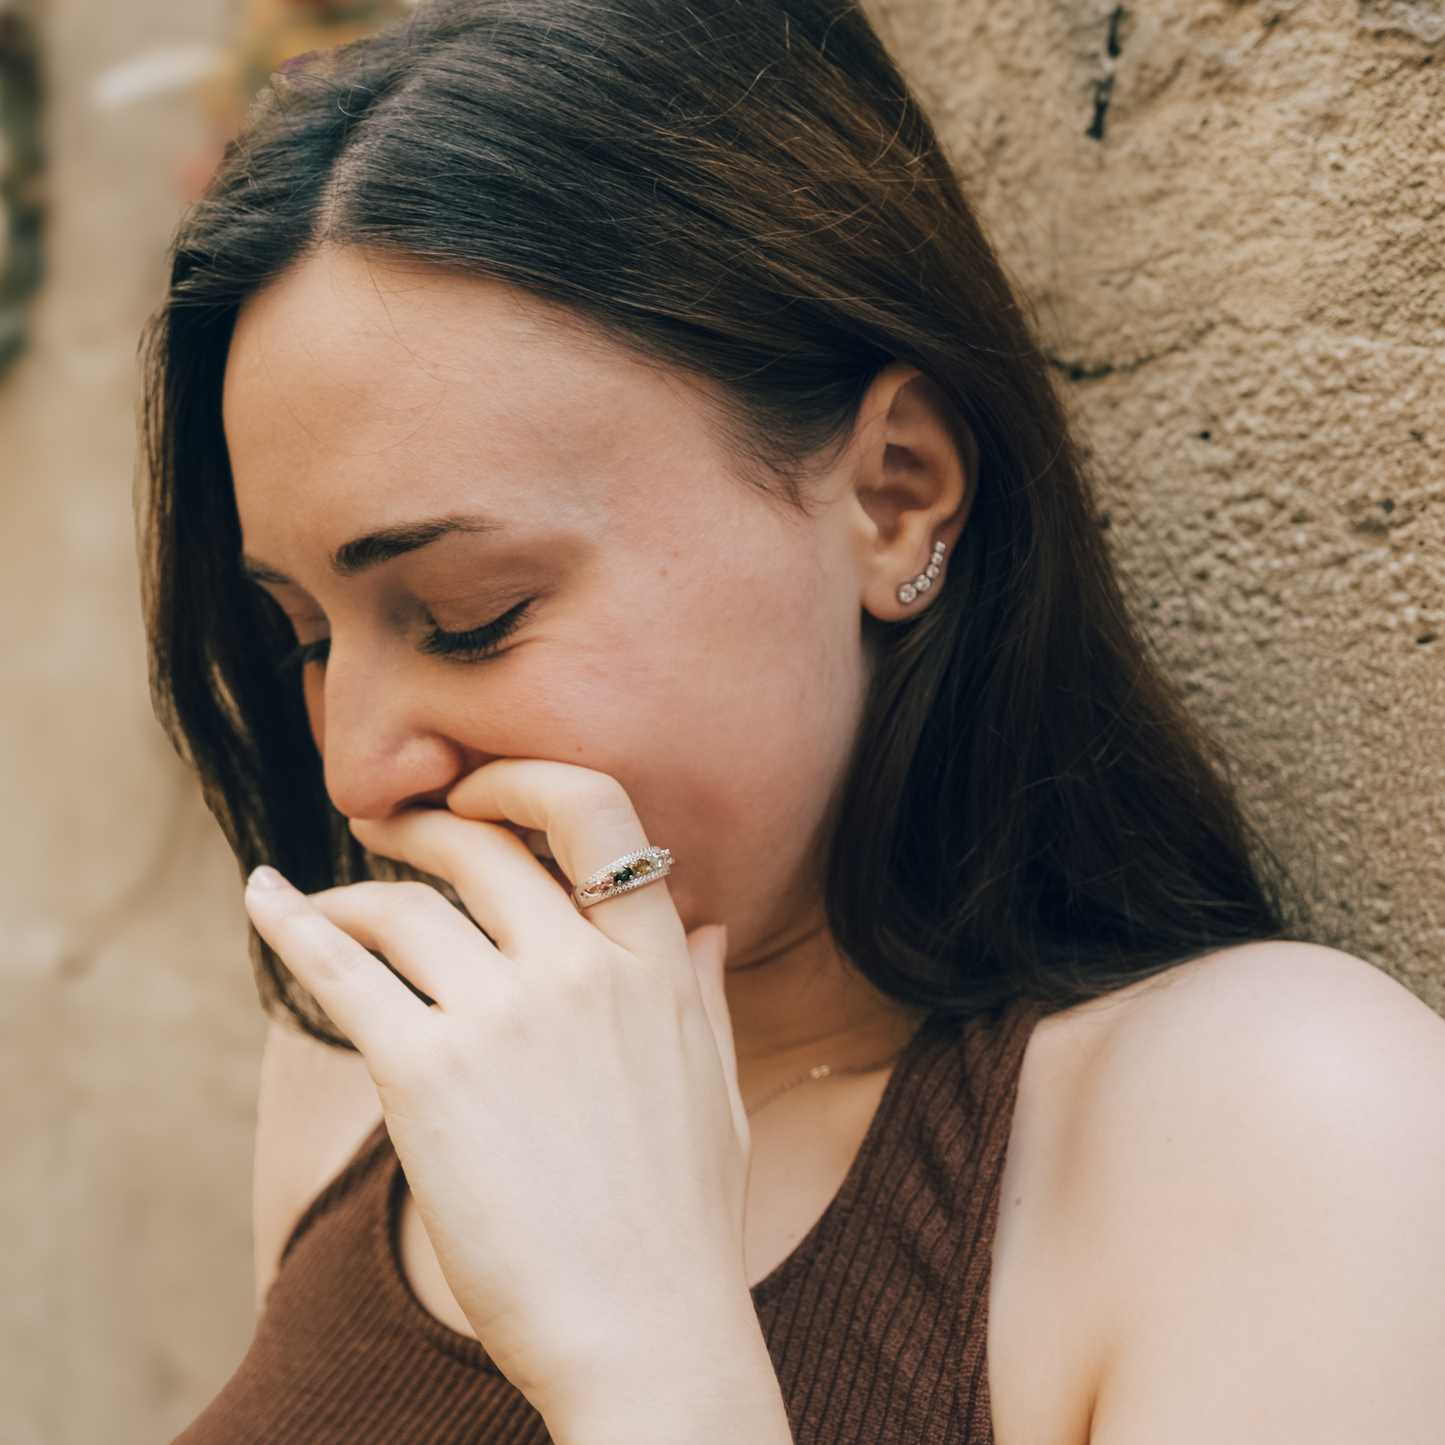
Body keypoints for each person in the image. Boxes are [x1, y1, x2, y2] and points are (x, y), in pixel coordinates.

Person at [142, 1, 1445, 1441]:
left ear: (892, 493)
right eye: (303, 638)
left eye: (471, 614)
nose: (357, 766)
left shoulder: (1275, 1131)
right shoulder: (383, 1068)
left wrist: (650, 1359)